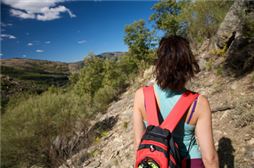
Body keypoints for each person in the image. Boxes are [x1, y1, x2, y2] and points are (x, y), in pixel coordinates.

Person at [132, 36, 219, 168]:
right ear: (188, 65)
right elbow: (210, 158)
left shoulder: (141, 96)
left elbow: (139, 143)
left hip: (155, 161)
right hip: (188, 162)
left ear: (159, 64)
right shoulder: (199, 103)